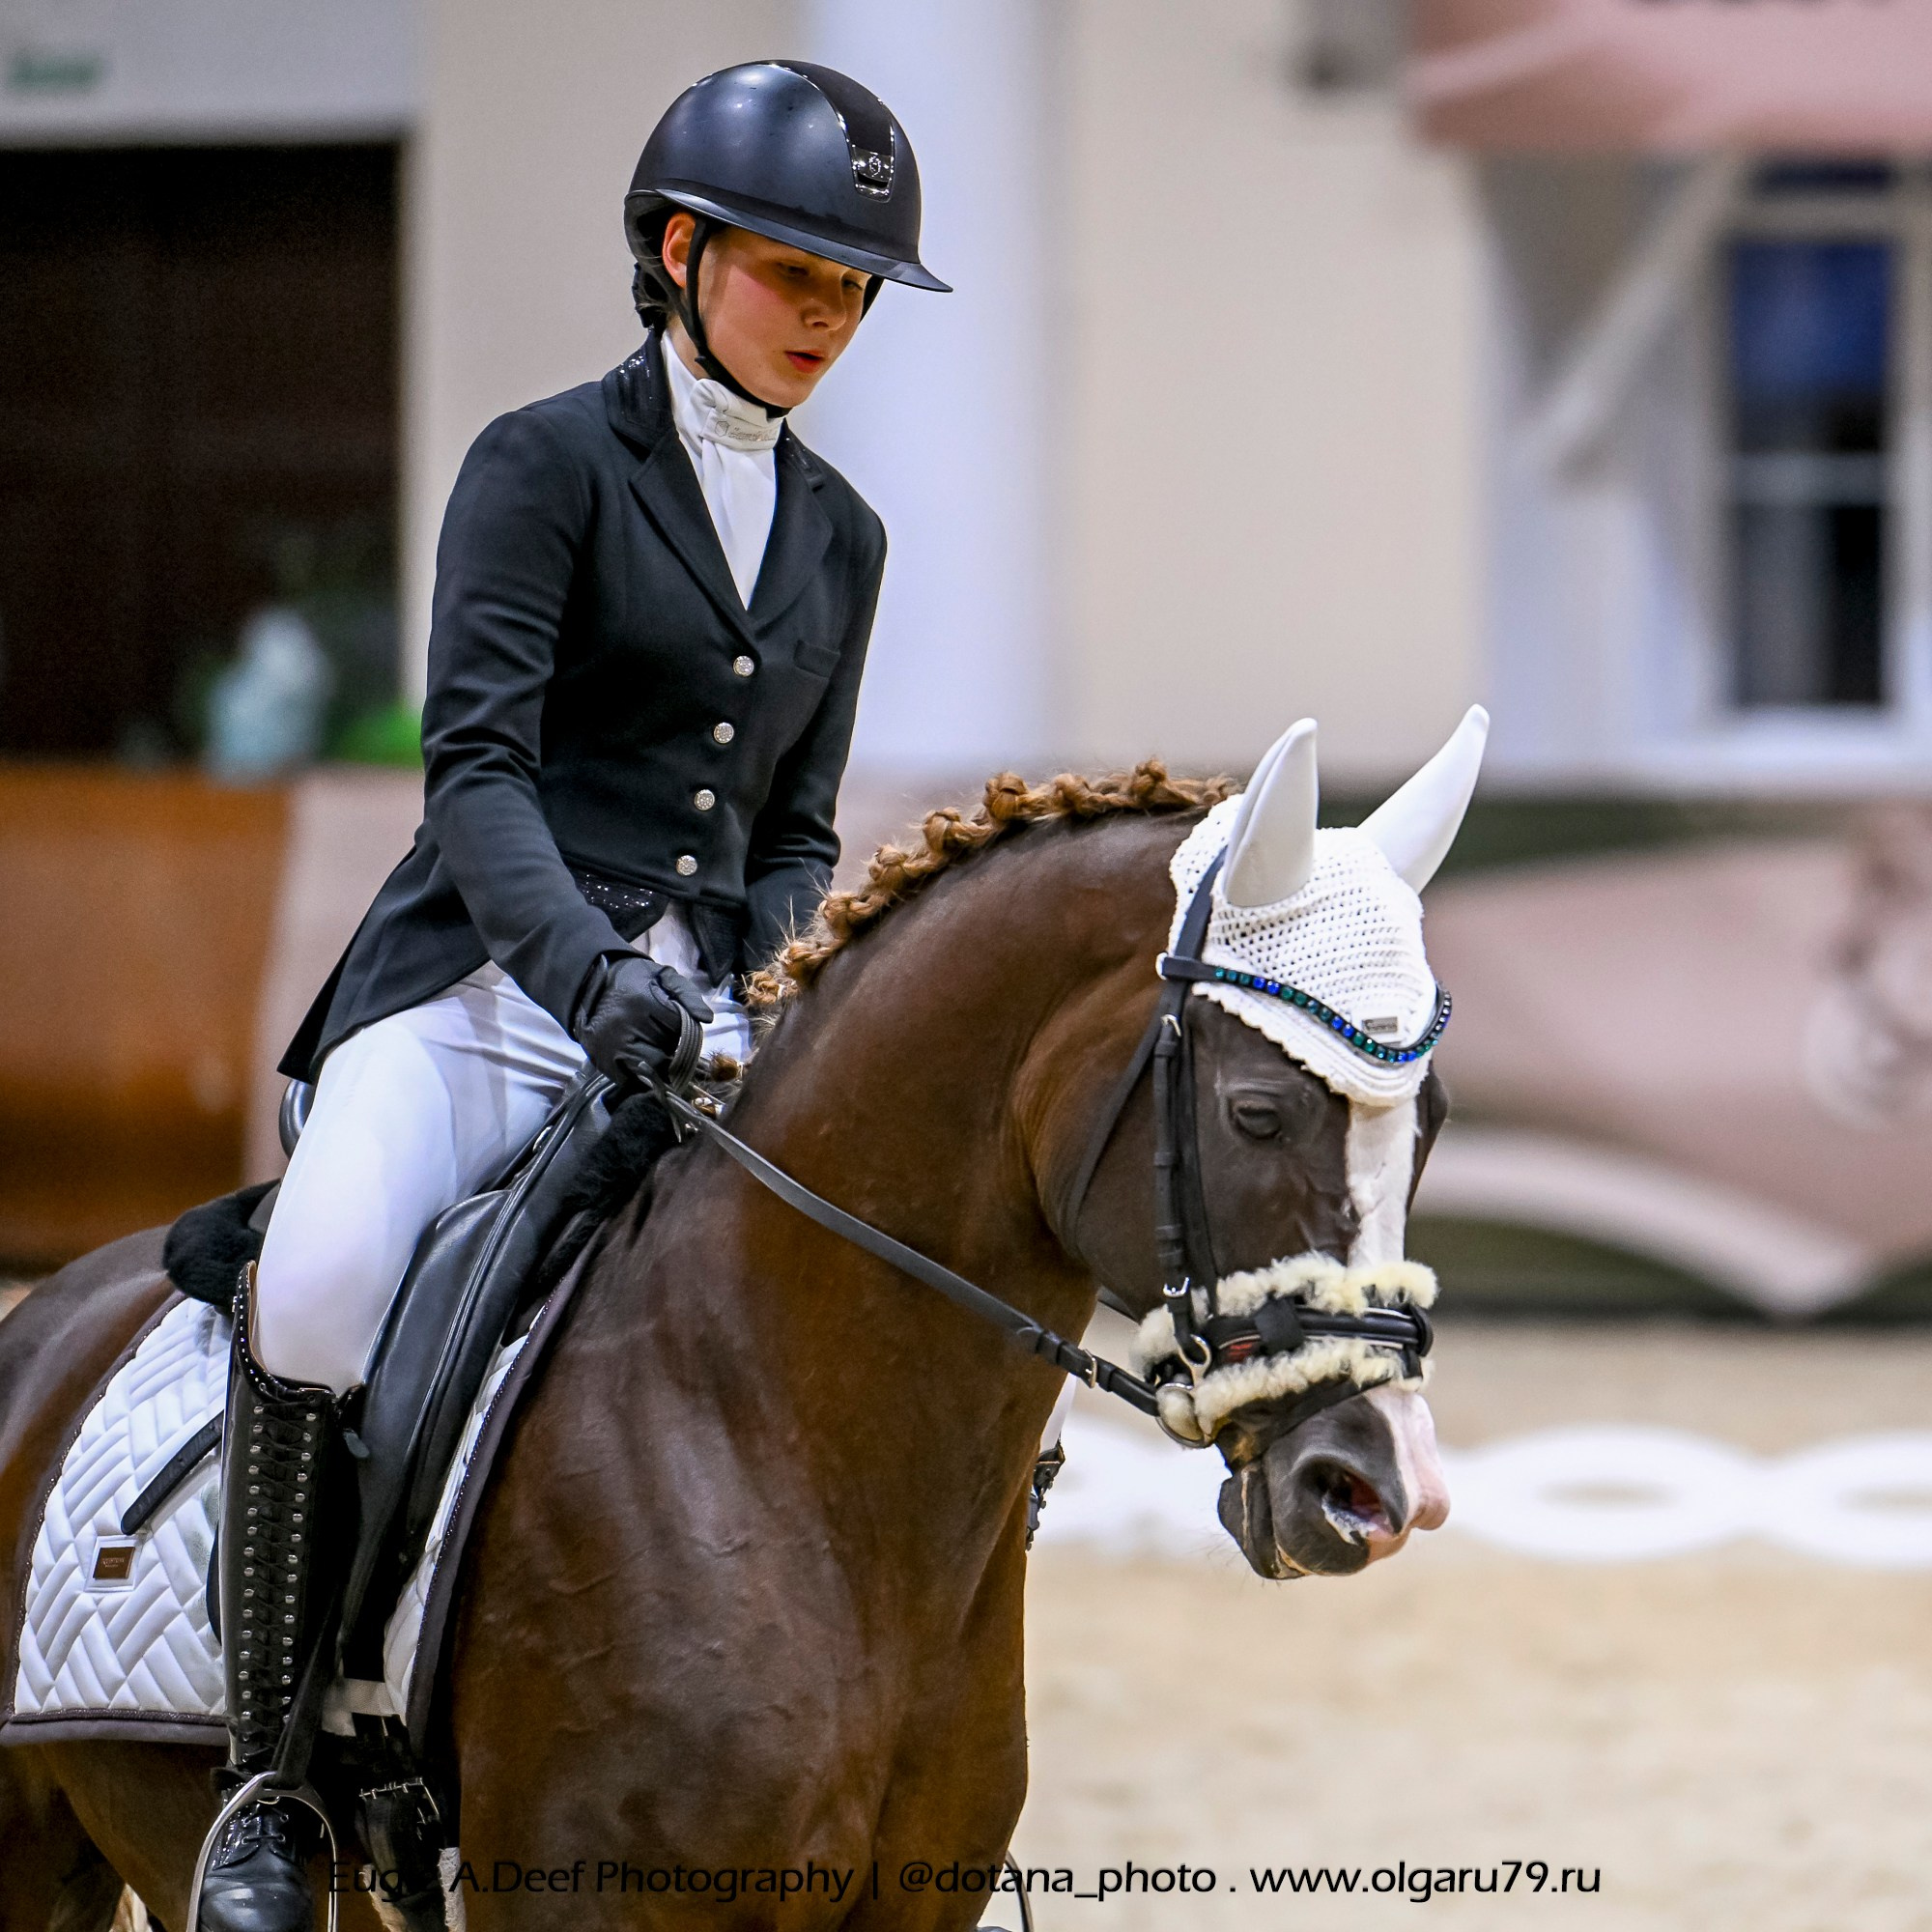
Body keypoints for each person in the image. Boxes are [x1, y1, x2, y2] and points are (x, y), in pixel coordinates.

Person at [191, 61, 948, 1932]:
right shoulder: (543, 461)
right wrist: (590, 970)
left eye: (855, 293)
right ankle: (268, 1785)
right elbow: (479, 772)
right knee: (327, 1276)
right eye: (799, 278)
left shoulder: (843, 534)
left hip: (698, 1014)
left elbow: (792, 823)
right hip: (480, 983)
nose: (829, 324)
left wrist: (768, 974)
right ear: (679, 254)